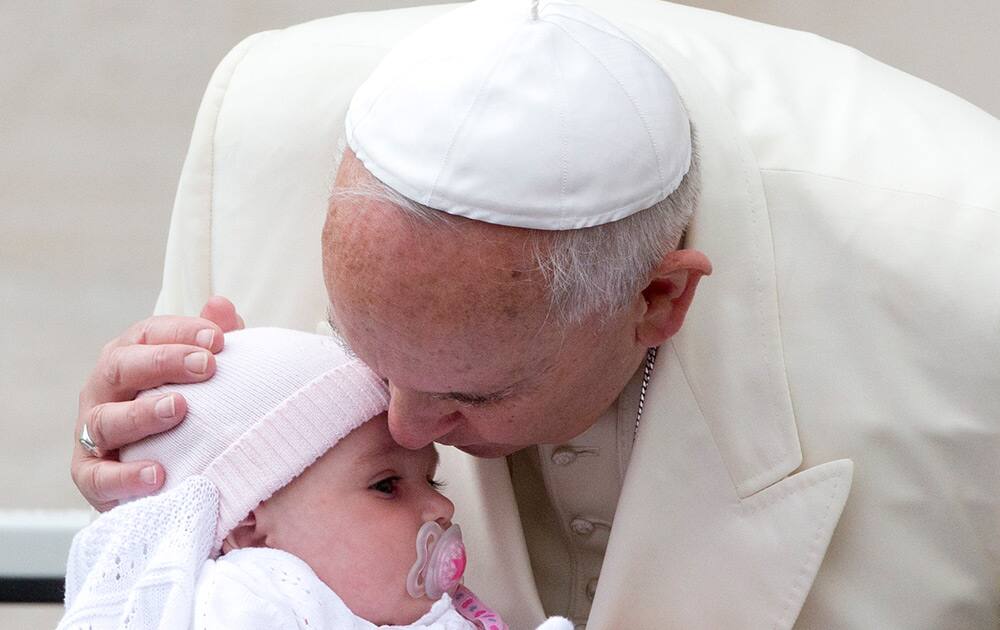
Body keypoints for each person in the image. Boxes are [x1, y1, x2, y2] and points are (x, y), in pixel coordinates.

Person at [70, 0, 1000, 628]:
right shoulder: (260, 131)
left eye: (466, 390)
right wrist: (145, 467)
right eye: (366, 352)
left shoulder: (971, 285)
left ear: (658, 298)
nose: (400, 424)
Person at [62, 327, 569, 629]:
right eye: (386, 485)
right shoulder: (251, 600)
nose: (442, 510)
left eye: (432, 482)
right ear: (249, 528)